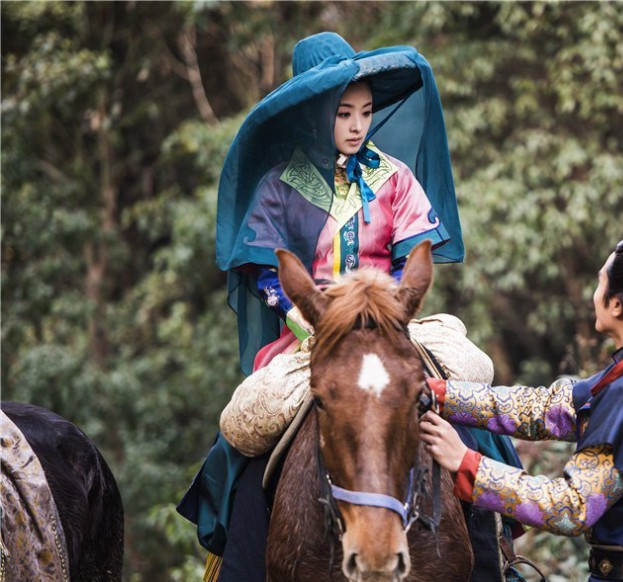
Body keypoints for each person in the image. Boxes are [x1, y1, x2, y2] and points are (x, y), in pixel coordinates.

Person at [177, 32, 522, 582]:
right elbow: (269, 271)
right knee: (243, 431)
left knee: (472, 390)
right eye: (344, 114)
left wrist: (396, 303)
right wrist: (309, 320)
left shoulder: (396, 177)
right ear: (316, 115)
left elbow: (415, 252)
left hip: (390, 324)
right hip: (311, 330)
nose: (358, 125)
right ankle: (237, 559)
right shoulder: (278, 187)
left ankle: (494, 553)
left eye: (365, 112)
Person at [420, 216, 623, 581]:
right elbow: (540, 410)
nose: (593, 294)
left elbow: (571, 506)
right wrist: (436, 391)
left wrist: (466, 462)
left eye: (600, 283)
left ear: (616, 304)